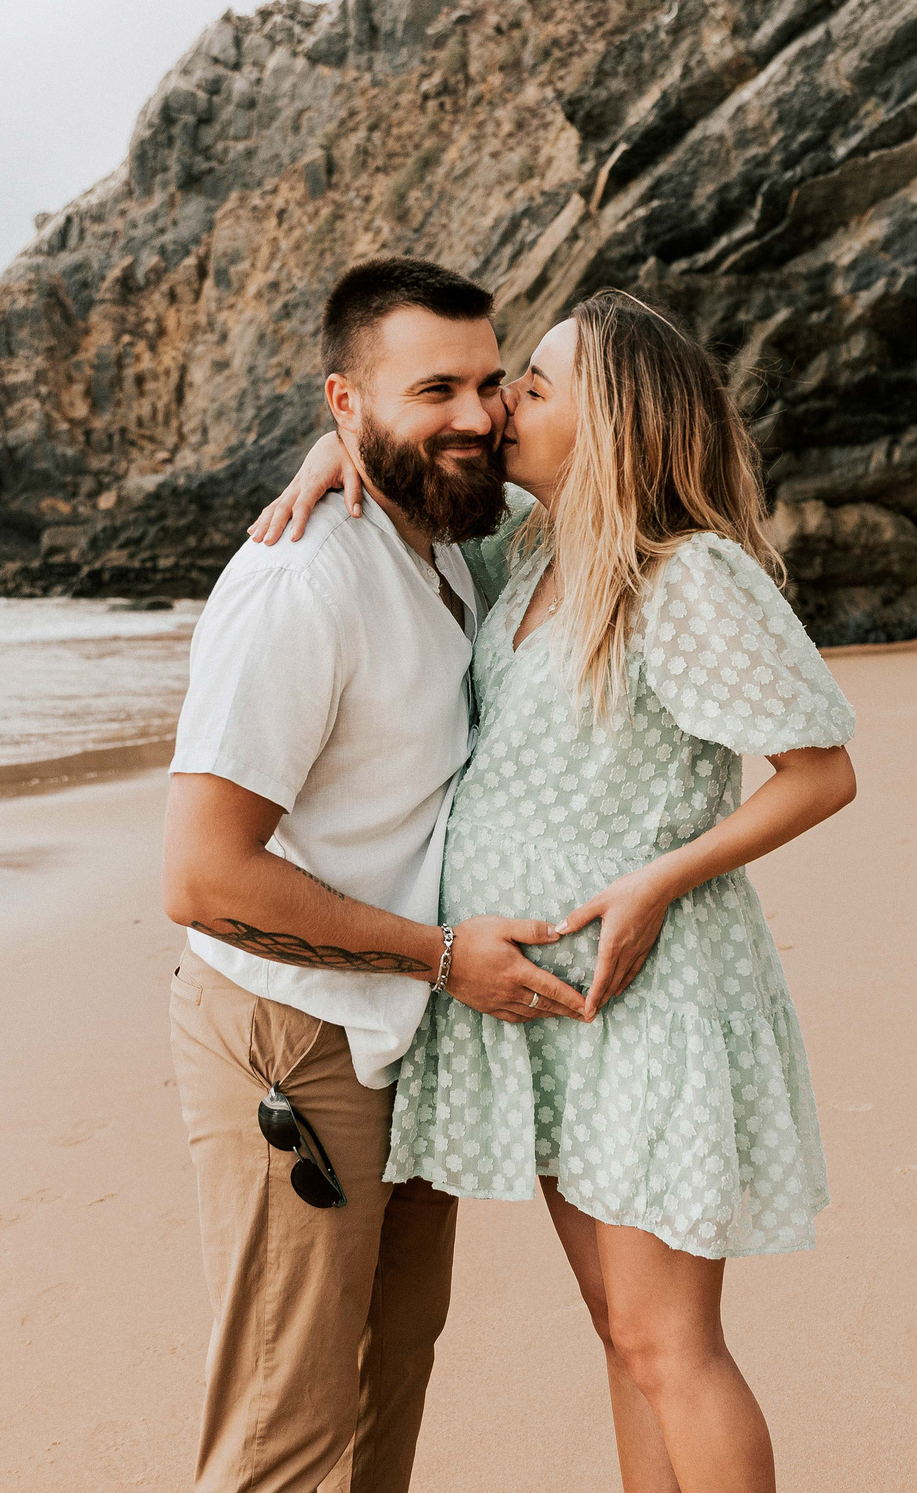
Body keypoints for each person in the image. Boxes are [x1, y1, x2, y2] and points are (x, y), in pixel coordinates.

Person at [252, 288, 859, 1492]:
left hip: (650, 998)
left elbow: (821, 771)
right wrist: (340, 440)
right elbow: (412, 469)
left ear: (614, 420)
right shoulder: (521, 550)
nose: (496, 406)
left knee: (668, 1343)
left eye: (531, 386)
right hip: (548, 1010)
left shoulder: (684, 579)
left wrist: (655, 882)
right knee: (622, 1338)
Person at [160, 257, 590, 1493]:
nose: (473, 415)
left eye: (489, 383)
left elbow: (599, 486)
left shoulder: (450, 533)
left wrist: (436, 980)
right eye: (432, 389)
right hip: (293, 1039)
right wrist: (449, 958)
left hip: (404, 1027)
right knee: (285, 1420)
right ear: (347, 403)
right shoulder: (304, 585)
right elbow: (202, 876)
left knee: (386, 1378)